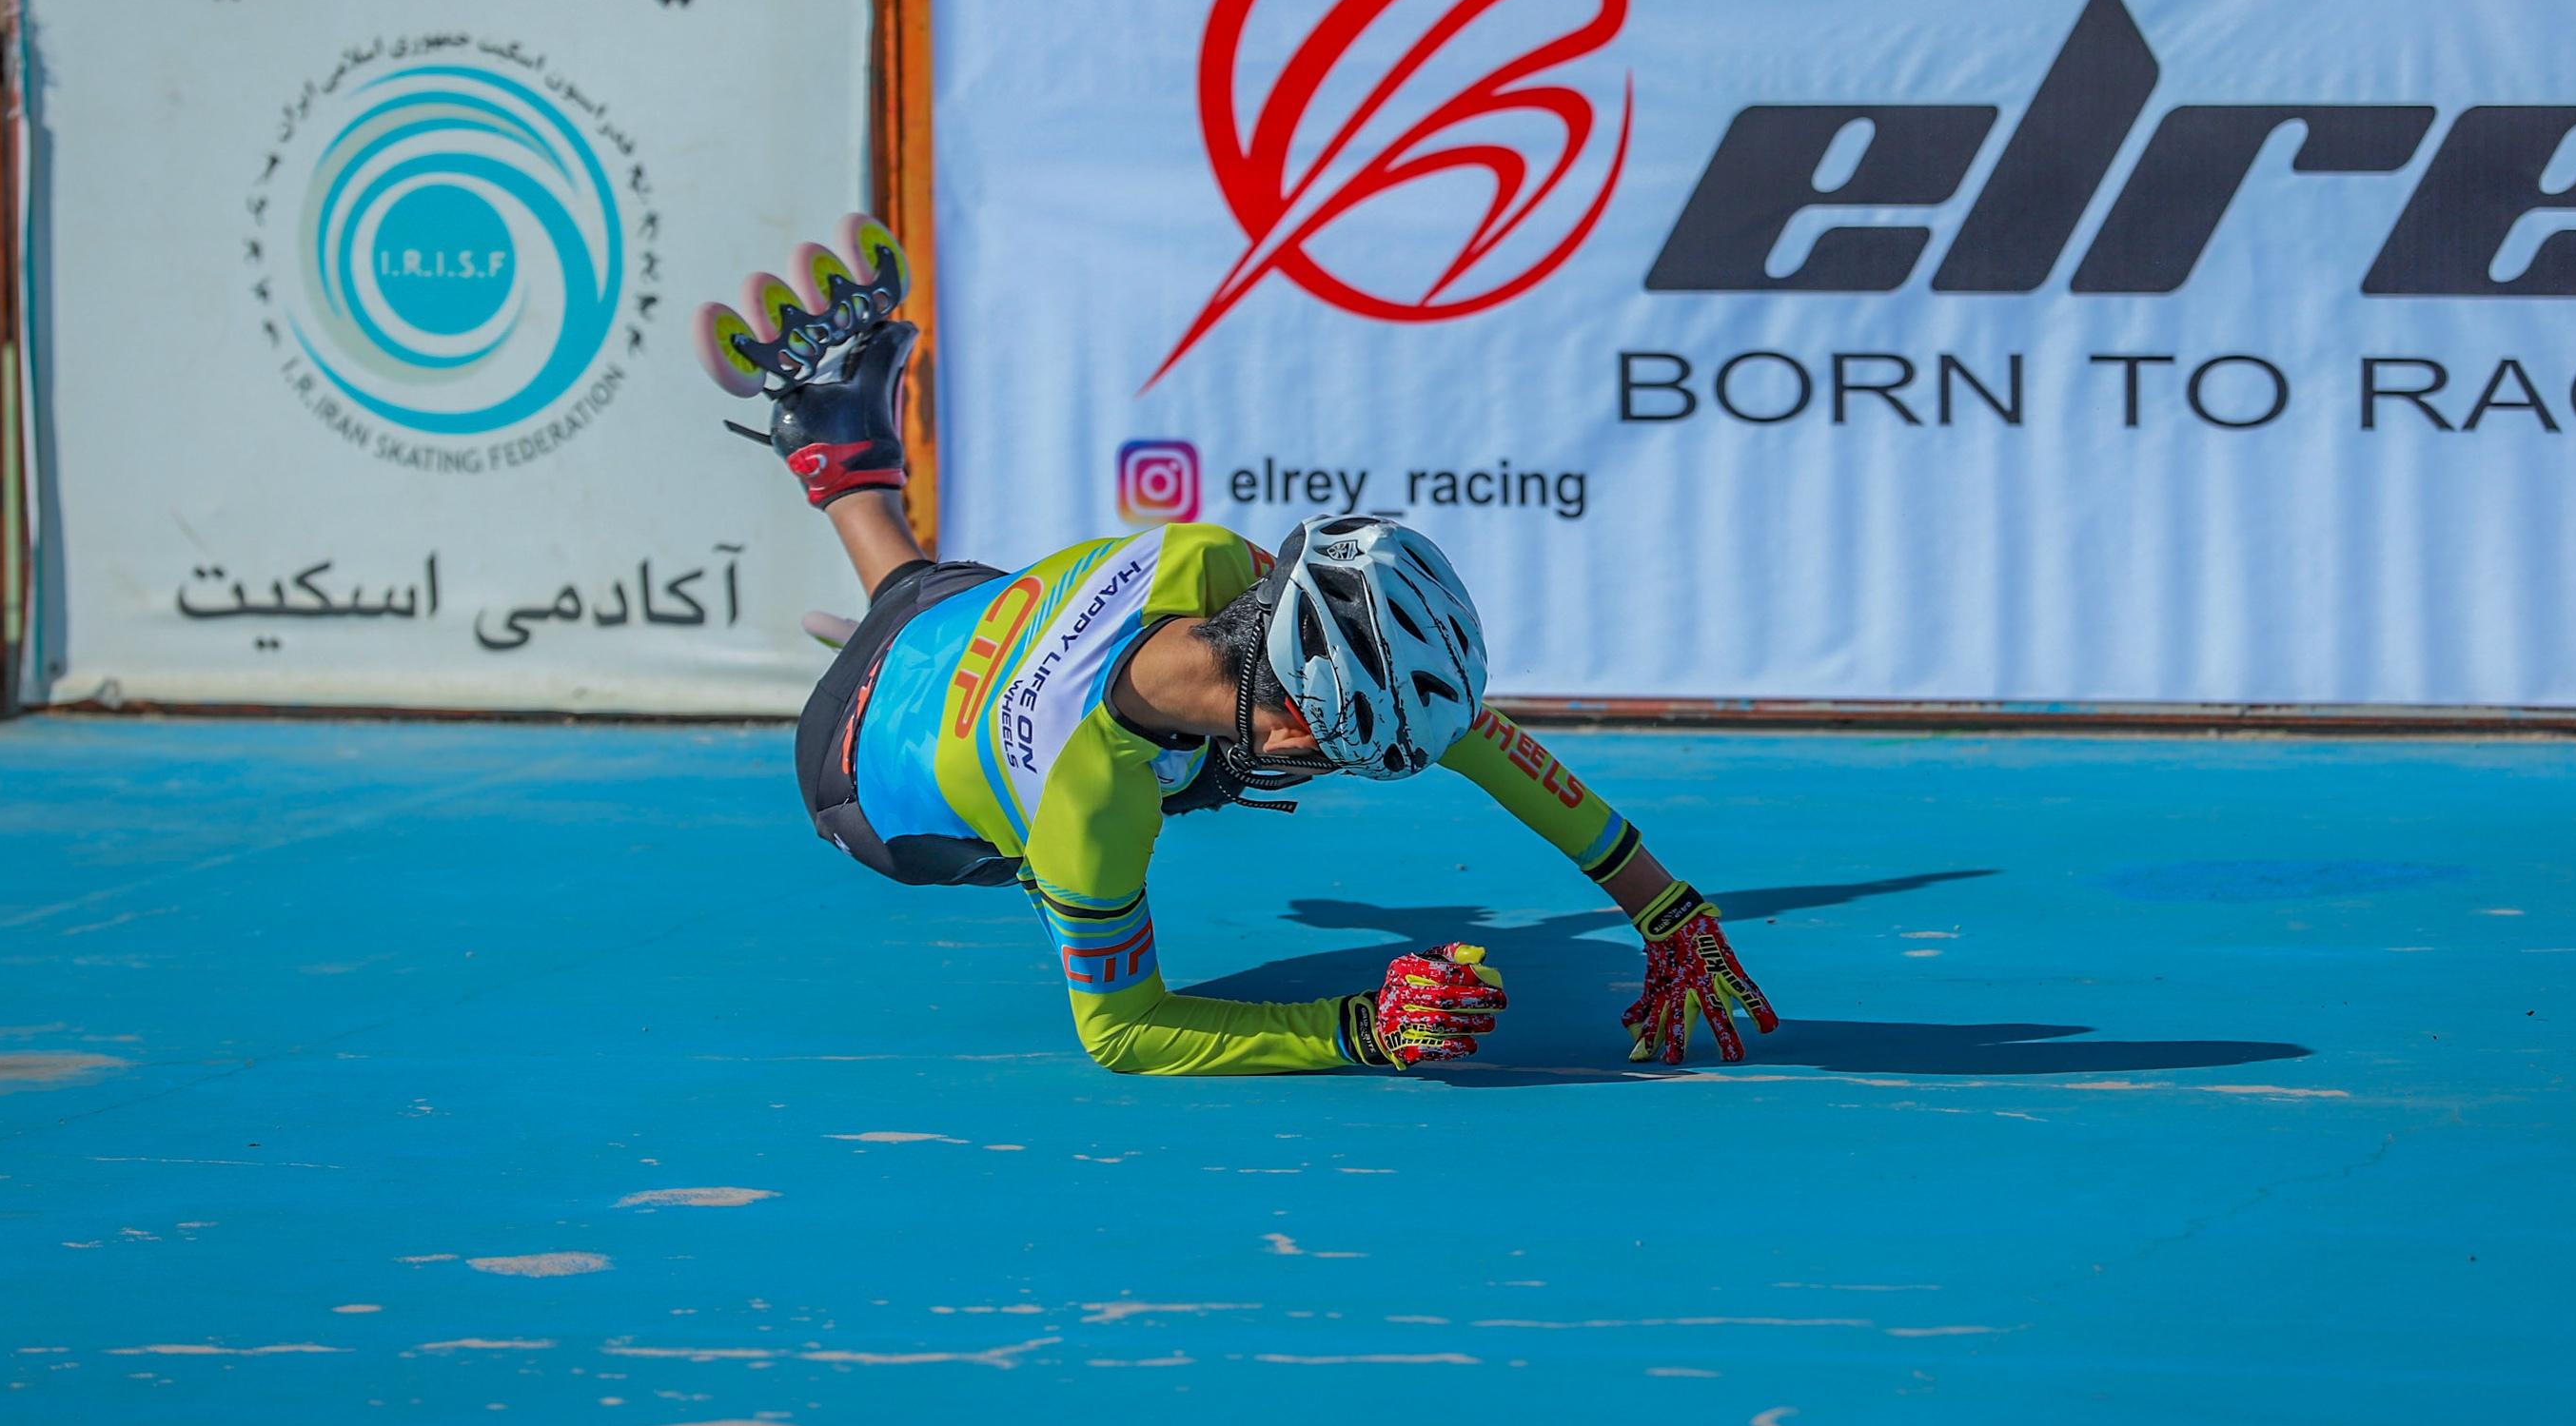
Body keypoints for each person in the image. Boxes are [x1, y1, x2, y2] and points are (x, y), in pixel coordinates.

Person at [688, 214, 1777, 1075]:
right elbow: (1124, 1032)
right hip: (852, 776)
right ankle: (842, 458)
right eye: (1344, 761)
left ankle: (840, 450)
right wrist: (1357, 1026)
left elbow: (1462, 731)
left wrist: (1659, 899)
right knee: (1023, 748)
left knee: (944, 602)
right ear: (1296, 727)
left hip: (964, 621)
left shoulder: (1208, 561)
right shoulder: (1088, 806)